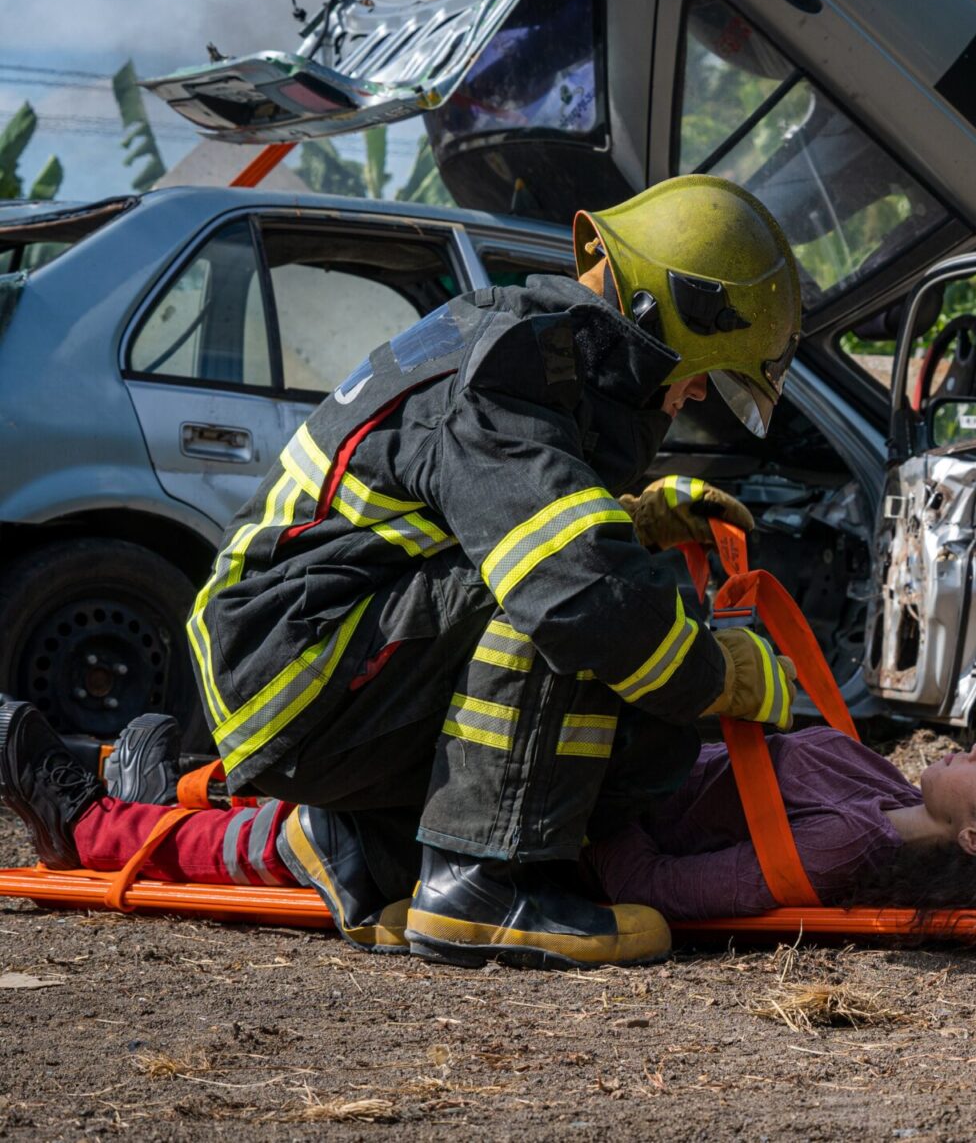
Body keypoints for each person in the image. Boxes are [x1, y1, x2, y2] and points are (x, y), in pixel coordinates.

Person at [168, 174, 806, 970]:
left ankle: (371, 847)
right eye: (708, 365)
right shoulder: (508, 374)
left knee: (607, 649)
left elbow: (455, 517)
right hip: (293, 667)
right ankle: (483, 883)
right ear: (661, 321)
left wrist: (629, 520)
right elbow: (574, 591)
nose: (701, 390)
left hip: (295, 658)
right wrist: (724, 676)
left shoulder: (520, 352)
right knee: (569, 602)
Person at [0, 703, 976, 932]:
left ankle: (91, 821)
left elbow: (657, 884)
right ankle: (154, 788)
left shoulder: (844, 845)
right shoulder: (876, 787)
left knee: (330, 839)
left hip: (549, 811)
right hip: (560, 772)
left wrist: (585, 773)